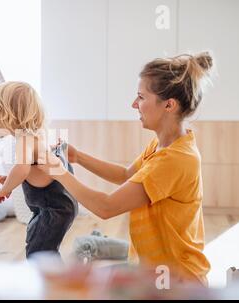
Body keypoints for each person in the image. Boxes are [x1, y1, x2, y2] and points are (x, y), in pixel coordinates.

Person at [39, 52, 214, 286]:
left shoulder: (175, 159)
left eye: (141, 97)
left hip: (176, 282)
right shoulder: (164, 146)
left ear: (169, 105)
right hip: (153, 271)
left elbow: (106, 207)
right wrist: (78, 157)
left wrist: (58, 172)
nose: (134, 104)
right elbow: (126, 176)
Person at [0, 81, 78, 258]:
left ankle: (51, 283)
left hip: (53, 208)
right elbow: (31, 169)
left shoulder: (24, 140)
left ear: (7, 113)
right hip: (59, 204)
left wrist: (5, 189)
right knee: (42, 245)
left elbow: (22, 170)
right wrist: (8, 177)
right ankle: (52, 280)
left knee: (39, 251)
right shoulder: (35, 136)